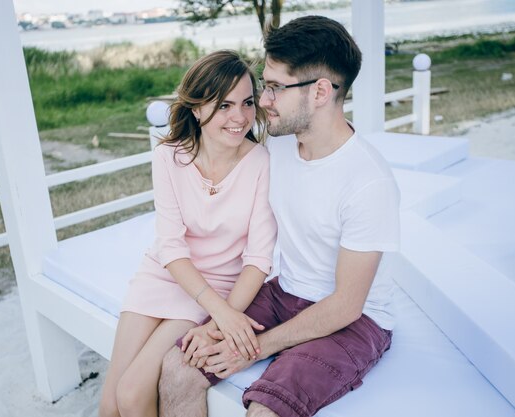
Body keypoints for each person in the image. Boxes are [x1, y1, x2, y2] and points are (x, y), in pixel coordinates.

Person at [158, 15, 400, 417]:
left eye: (273, 87)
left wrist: (253, 346)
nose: (262, 101)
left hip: (357, 322)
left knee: (264, 412)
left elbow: (346, 305)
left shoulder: (368, 183)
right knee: (178, 367)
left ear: (321, 91)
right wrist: (221, 321)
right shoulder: (280, 143)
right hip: (284, 293)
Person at [98, 50, 277, 417]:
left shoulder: (261, 163)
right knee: (109, 404)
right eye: (224, 105)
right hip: (162, 275)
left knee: (131, 394)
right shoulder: (168, 157)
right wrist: (222, 316)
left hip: (211, 287)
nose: (240, 117)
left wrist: (223, 314)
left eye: (246, 103)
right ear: (197, 108)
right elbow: (171, 247)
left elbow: (258, 259)